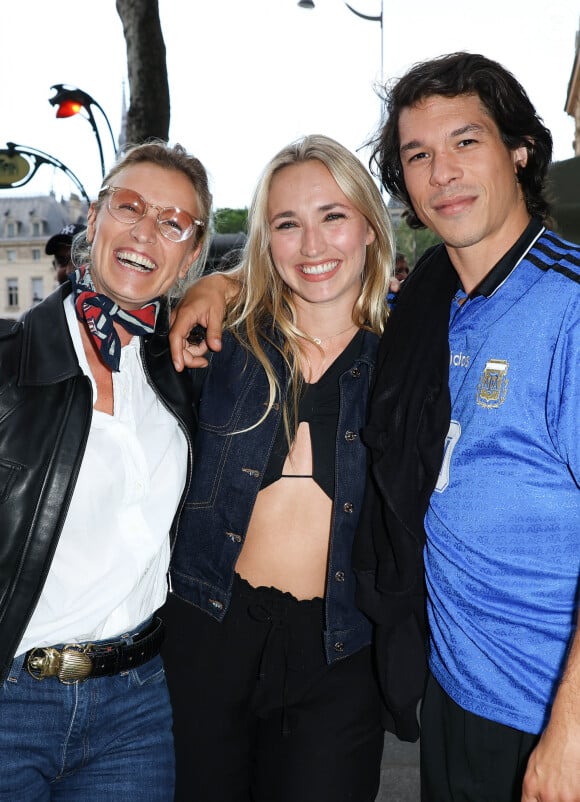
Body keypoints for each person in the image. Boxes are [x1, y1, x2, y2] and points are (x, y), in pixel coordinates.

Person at [353, 52, 580, 802]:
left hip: (545, 715)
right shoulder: (433, 301)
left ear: (519, 150)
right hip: (455, 695)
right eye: (418, 154)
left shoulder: (570, 308)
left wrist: (570, 734)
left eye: (466, 141)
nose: (441, 171)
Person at [160, 134, 394, 802]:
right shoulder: (221, 346)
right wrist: (220, 281)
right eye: (288, 224)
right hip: (208, 626)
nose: (312, 246)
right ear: (265, 241)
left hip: (340, 649)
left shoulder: (406, 363)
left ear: (371, 230)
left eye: (333, 216)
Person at [0, 140, 211, 801]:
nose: (146, 231)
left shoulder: (187, 370)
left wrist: (224, 286)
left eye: (173, 222)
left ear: (192, 253)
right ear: (93, 220)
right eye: (129, 206)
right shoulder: (9, 363)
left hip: (137, 705)